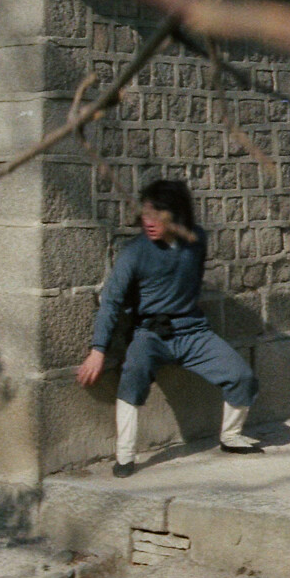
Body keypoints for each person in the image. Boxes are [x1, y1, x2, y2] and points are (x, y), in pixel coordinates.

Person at [76, 179, 264, 477]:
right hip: (150, 334)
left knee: (241, 376)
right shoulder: (134, 253)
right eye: (145, 214)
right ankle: (125, 455)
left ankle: (230, 436)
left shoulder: (196, 241)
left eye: (157, 215)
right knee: (132, 375)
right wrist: (98, 350)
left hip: (193, 332)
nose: (148, 222)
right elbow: (111, 301)